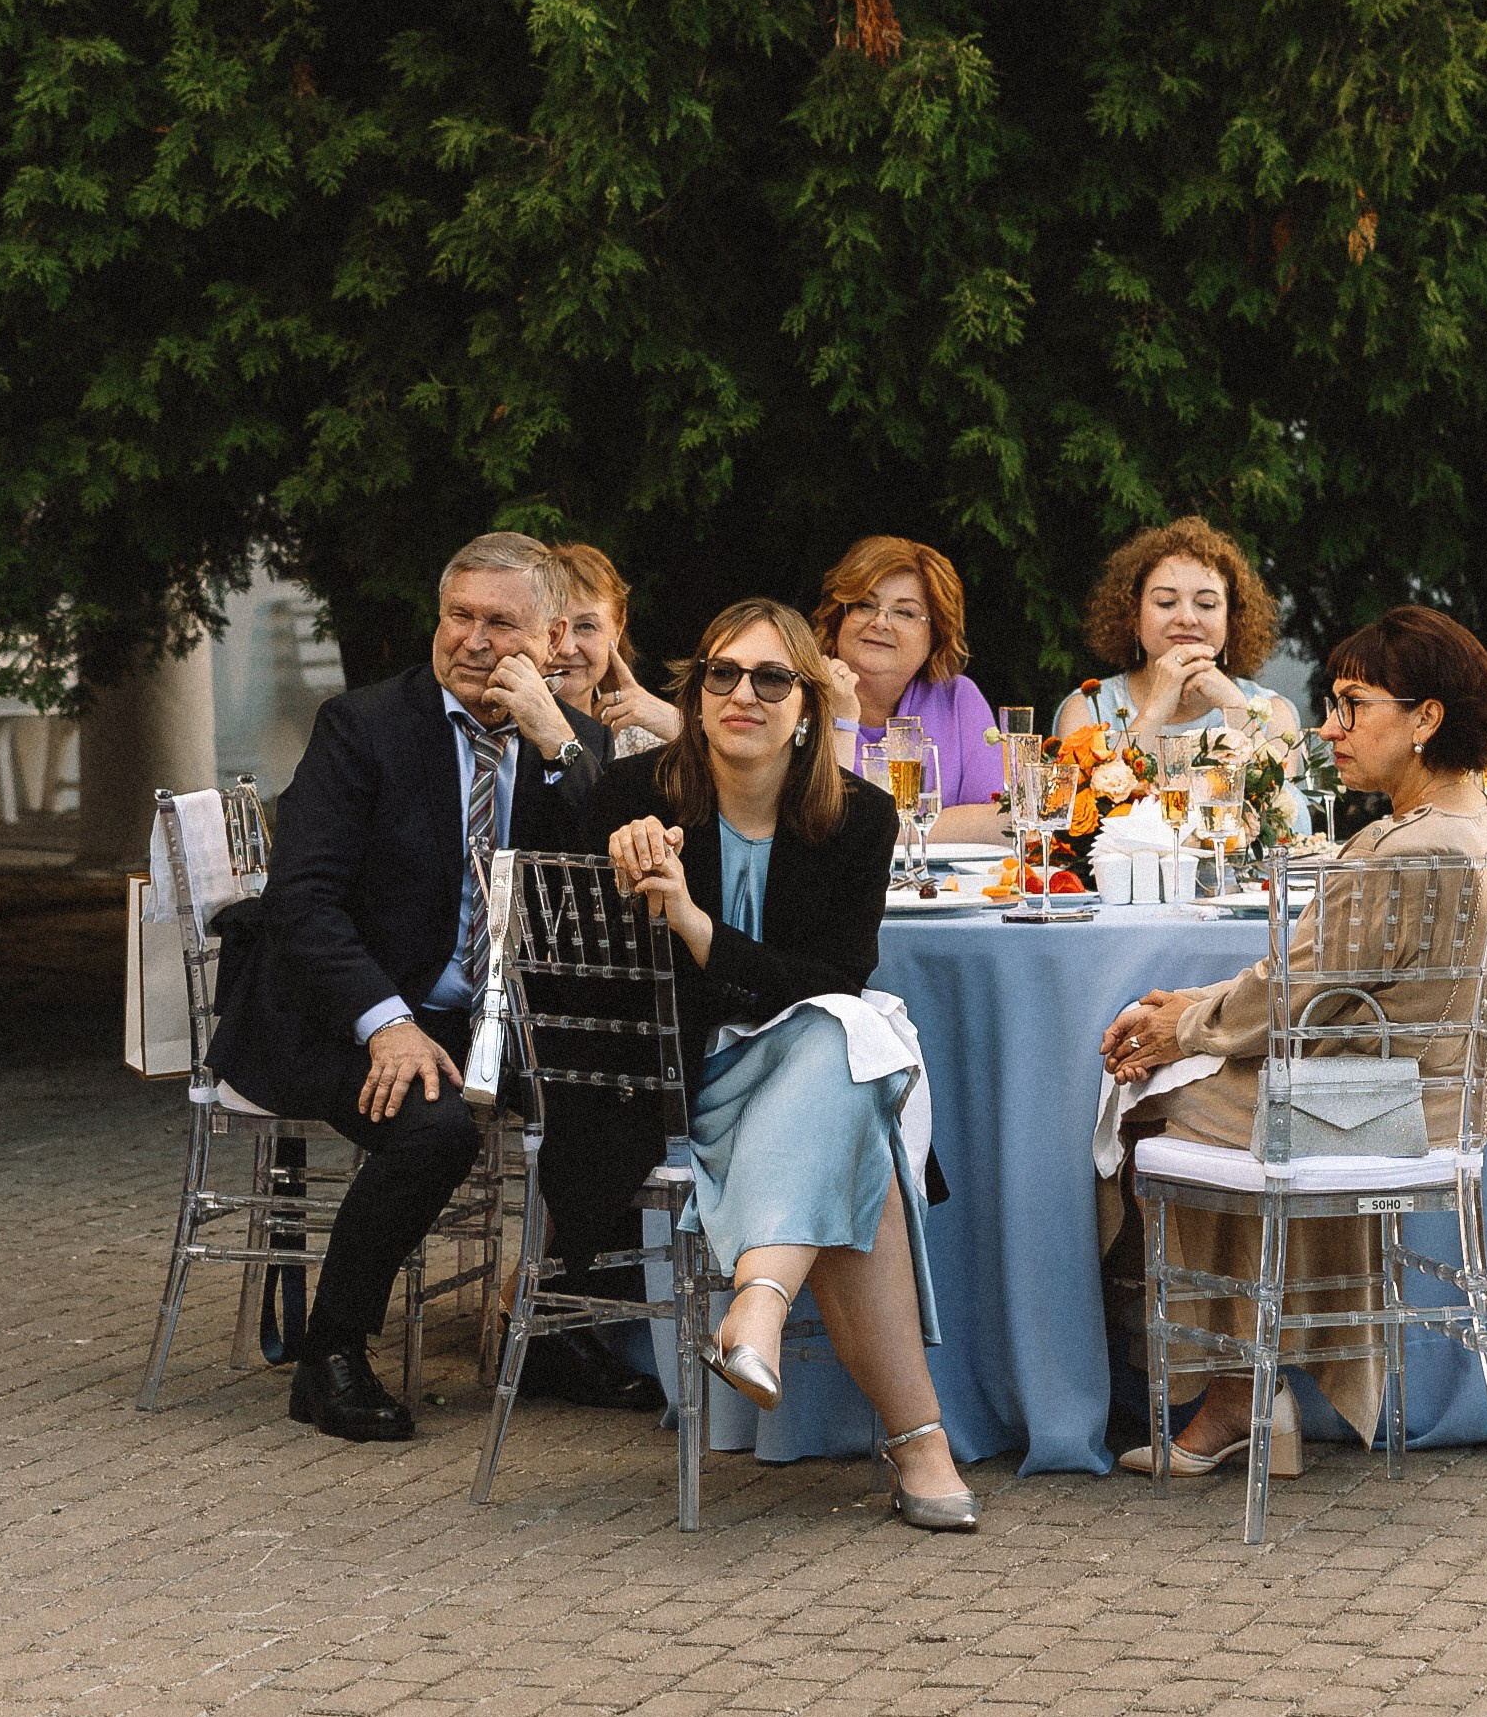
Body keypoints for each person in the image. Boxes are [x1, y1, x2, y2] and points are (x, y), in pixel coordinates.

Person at [1097, 606, 1487, 1471]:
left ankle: (1229, 1397)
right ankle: (1244, 1398)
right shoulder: (1474, 825)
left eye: (1353, 704)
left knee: (1146, 1109)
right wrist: (1191, 1012)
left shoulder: (1412, 850)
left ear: (1426, 719)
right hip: (1425, 1098)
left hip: (1388, 1113)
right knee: (1190, 1084)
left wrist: (1176, 1030)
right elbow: (1307, 988)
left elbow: (1292, 999)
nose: (1330, 726)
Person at [209, 532, 617, 1444]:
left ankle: (543, 1327)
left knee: (616, 1094)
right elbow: (302, 903)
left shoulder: (573, 746)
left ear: (553, 638)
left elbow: (617, 879)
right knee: (433, 1125)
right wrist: (385, 1024)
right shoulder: (364, 728)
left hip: (489, 1018)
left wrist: (559, 748)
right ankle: (331, 1357)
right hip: (338, 1011)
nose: (472, 641)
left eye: (499, 623)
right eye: (458, 617)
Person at [596, 599, 979, 1531]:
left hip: (797, 1068)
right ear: (696, 694)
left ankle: (756, 1305)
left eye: (772, 679)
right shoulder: (630, 800)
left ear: (808, 704)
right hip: (674, 1080)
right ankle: (918, 1443)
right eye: (722, 675)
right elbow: (593, 981)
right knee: (860, 1125)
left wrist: (693, 924)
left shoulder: (859, 818)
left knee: (834, 1028)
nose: (744, 695)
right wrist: (617, 873)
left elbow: (830, 979)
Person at [1056, 520, 1305, 797]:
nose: (1187, 618)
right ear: (1134, 617)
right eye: (1165, 602)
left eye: (1206, 604)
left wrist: (1236, 709)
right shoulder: (1088, 708)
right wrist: (1154, 710)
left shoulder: (1272, 711)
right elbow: (1074, 822)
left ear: (1231, 620)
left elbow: (1295, 826)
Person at [812, 535, 1008, 841]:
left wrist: (879, 833)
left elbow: (1002, 821)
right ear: (839, 618)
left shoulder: (958, 699)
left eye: (904, 612)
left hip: (949, 888)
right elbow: (821, 829)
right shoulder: (801, 697)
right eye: (864, 605)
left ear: (935, 633)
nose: (880, 622)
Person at [548, 542, 675, 756]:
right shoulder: (493, 728)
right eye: (551, 628)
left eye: (586, 626)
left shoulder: (642, 738)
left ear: (619, 626)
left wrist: (682, 728)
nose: (567, 649)